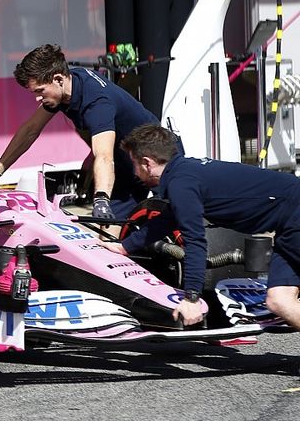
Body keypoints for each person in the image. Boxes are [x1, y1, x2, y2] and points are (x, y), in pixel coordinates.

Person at [102, 125, 300, 331]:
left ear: (147, 163)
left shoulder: (181, 184)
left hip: (296, 212)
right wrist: (125, 246)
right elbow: (167, 221)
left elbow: (195, 241)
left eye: (134, 164)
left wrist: (192, 298)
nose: (134, 171)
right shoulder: (183, 173)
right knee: (279, 300)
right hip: (287, 225)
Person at [0, 44, 159, 220]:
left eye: (40, 91)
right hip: (126, 166)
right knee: (107, 235)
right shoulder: (67, 87)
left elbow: (104, 155)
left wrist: (101, 199)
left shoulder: (96, 103)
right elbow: (30, 130)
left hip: (156, 158)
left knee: (181, 224)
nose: (37, 98)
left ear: (58, 79)